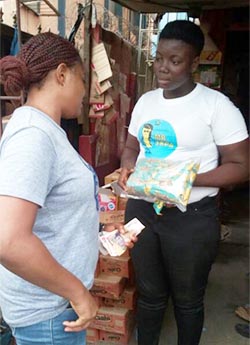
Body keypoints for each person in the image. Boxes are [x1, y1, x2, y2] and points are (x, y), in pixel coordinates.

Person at [118, 20, 249, 345]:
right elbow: (132, 147)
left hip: (191, 219)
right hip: (142, 212)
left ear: (193, 62)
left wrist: (185, 180)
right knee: (149, 295)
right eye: (160, 57)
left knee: (187, 300)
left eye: (175, 61)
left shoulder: (216, 106)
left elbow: (242, 166)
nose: (163, 67)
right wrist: (127, 165)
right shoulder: (147, 102)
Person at [0, 32, 135, 345]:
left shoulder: (47, 131)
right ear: (61, 74)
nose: (86, 92)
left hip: (55, 307)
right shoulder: (33, 136)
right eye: (82, 78)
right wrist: (79, 294)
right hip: (49, 314)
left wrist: (107, 241)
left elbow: (56, 222)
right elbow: (9, 241)